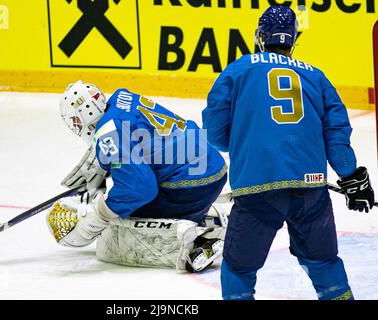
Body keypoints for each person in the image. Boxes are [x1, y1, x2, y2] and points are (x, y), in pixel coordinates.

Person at [202, 5, 374, 300]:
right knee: (324, 264)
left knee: (238, 271)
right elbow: (336, 134)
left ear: (260, 36)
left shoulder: (237, 70)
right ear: (293, 39)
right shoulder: (316, 76)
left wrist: (249, 143)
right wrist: (351, 175)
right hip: (310, 190)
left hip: (258, 188)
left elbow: (216, 134)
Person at [46, 80, 229, 272]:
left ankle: (199, 240)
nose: (75, 126)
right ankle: (204, 215)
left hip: (190, 185)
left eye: (75, 120)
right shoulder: (122, 99)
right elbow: (139, 139)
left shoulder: (108, 135)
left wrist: (99, 216)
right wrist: (106, 161)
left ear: (84, 115)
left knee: (120, 224)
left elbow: (139, 188)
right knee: (125, 203)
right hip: (211, 167)